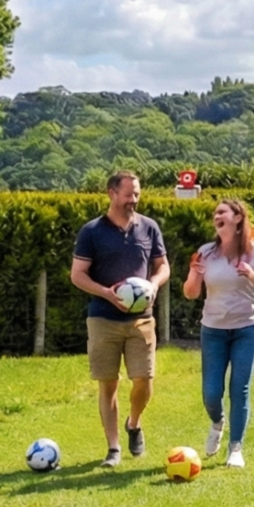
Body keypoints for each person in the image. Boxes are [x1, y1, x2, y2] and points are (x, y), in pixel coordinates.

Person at [71, 171, 170, 468]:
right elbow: (77, 275)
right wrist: (106, 293)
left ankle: (134, 423)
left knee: (144, 379)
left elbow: (163, 266)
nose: (134, 200)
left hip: (141, 320)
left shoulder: (149, 228)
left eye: (137, 194)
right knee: (108, 384)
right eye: (129, 194)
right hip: (103, 319)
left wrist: (153, 284)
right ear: (112, 193)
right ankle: (113, 449)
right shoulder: (91, 231)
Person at [183, 197, 254, 469]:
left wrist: (252, 276)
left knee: (240, 387)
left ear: (238, 218)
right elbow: (190, 294)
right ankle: (217, 422)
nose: (217, 216)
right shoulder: (205, 253)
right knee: (211, 393)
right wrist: (193, 273)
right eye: (215, 213)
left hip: (248, 328)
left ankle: (235, 447)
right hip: (213, 330)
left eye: (222, 212)